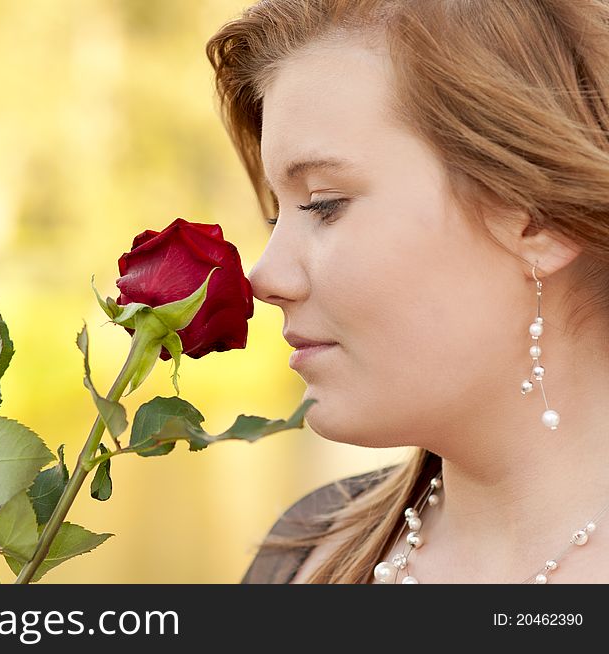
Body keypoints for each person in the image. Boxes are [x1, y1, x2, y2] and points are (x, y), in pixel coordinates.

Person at [206, 0, 609, 583]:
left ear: (538, 220)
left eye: (323, 204)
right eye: (276, 216)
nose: (264, 277)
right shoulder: (298, 555)